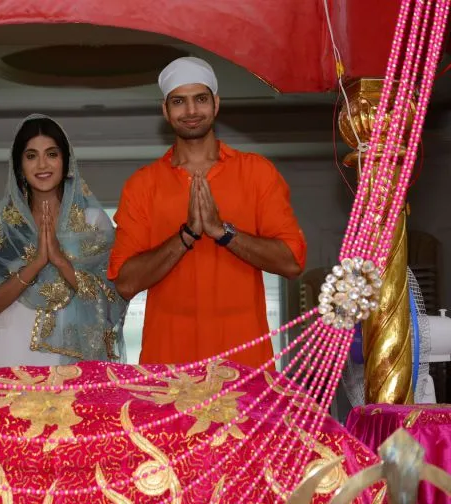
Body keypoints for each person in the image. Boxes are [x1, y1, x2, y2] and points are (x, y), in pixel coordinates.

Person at [109, 57, 306, 369]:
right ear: (165, 110)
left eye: (200, 99)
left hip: (244, 366)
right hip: (169, 368)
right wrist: (186, 236)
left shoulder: (256, 172)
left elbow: (292, 261)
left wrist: (223, 233)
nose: (190, 111)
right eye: (179, 102)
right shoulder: (143, 185)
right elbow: (124, 283)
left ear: (216, 104)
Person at [0, 115, 127, 367]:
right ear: (19, 165)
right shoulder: (3, 224)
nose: (42, 164)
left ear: (66, 161)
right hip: (12, 350)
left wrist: (62, 263)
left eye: (52, 154)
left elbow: (111, 302)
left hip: (75, 357)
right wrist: (36, 263)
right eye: (31, 156)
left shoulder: (93, 222)